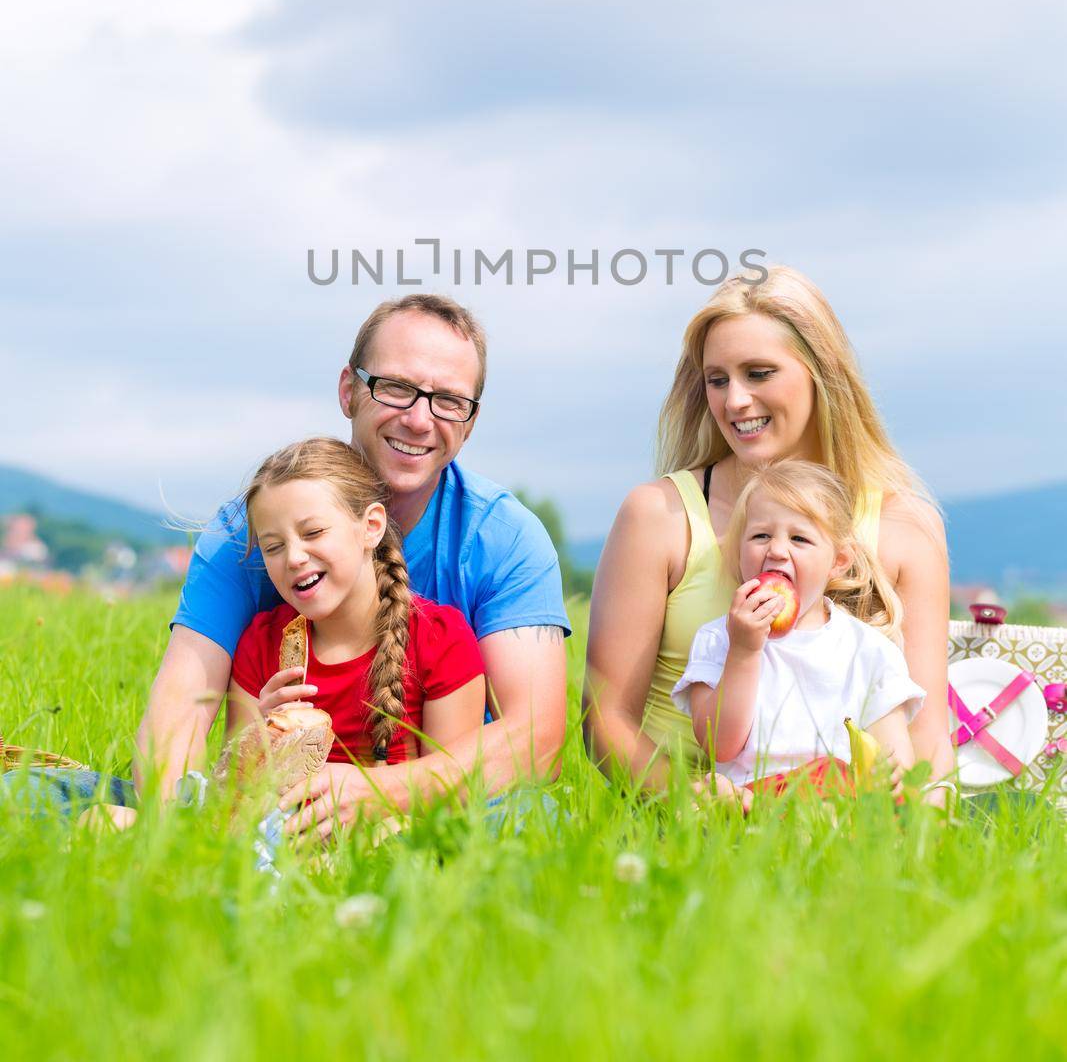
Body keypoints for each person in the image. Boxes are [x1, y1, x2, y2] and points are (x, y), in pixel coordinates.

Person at [137, 294, 569, 835]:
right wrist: (168, 833)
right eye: (396, 388)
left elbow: (537, 740)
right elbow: (181, 707)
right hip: (275, 806)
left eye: (450, 401)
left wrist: (380, 793)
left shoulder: (506, 539)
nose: (418, 420)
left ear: (471, 421)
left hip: (433, 802)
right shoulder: (244, 534)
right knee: (35, 792)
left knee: (533, 819)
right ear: (349, 390)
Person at [583, 266, 952, 795]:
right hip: (687, 828)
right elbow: (606, 721)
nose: (734, 401)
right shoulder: (658, 516)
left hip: (850, 834)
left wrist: (922, 832)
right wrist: (695, 806)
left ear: (822, 375)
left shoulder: (904, 526)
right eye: (717, 379)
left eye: (759, 374)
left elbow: (928, 736)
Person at [84, 437, 488, 834]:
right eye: (273, 546)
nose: (293, 558)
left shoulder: (440, 638)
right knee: (100, 820)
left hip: (379, 834)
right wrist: (258, 738)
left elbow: (449, 795)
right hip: (274, 836)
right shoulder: (262, 642)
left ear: (371, 527)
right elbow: (237, 801)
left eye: (313, 534)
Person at [672, 461, 923, 795]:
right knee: (714, 793)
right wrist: (744, 651)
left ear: (839, 561)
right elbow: (719, 745)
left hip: (839, 797)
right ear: (739, 548)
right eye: (760, 535)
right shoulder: (719, 639)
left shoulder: (869, 651)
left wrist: (891, 779)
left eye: (799, 538)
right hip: (753, 795)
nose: (776, 549)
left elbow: (894, 756)